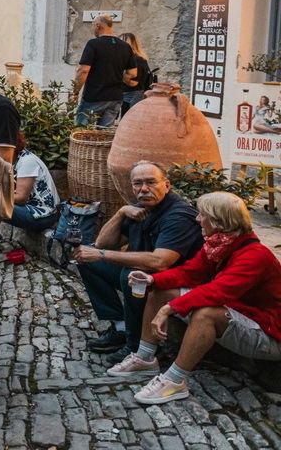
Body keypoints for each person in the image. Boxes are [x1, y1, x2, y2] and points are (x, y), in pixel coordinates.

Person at [108, 192, 281, 405]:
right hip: (242, 314)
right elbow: (190, 272)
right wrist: (153, 280)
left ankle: (175, 381)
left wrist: (168, 309)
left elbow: (217, 291)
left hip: (269, 333)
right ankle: (144, 357)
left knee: (206, 314)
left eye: (203, 214)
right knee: (161, 289)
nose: (197, 219)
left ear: (219, 221)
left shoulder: (254, 256)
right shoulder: (220, 245)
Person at [74, 161, 204, 366]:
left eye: (151, 182)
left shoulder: (178, 216)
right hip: (150, 275)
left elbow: (160, 262)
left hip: (178, 282)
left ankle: (138, 345)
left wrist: (102, 254)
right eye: (137, 184)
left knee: (131, 277)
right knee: (87, 260)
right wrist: (121, 212)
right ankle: (120, 326)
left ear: (167, 185)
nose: (144, 189)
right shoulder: (139, 209)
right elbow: (103, 244)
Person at [75, 15, 137, 127]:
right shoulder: (125, 46)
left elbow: (83, 71)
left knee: (80, 132)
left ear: (98, 25)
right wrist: (118, 77)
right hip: (115, 97)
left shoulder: (93, 44)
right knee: (104, 134)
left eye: (93, 26)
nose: (93, 29)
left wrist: (75, 92)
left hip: (94, 97)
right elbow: (132, 73)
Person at [7, 133, 60, 232]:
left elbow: (21, 198)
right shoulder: (15, 159)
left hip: (44, 215)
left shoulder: (26, 161)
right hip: (30, 209)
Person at [119, 32, 153, 114]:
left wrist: (119, 75)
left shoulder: (136, 60)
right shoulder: (139, 59)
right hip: (131, 95)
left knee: (128, 120)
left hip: (132, 95)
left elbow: (133, 83)